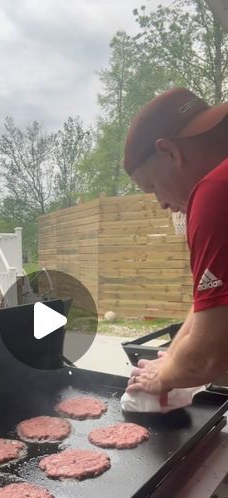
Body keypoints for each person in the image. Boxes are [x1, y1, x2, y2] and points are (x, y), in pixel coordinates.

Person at [123, 87, 228, 395]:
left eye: (152, 186)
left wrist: (160, 377)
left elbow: (206, 357)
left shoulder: (215, 191)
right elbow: (211, 306)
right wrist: (172, 357)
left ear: (170, 152)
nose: (162, 204)